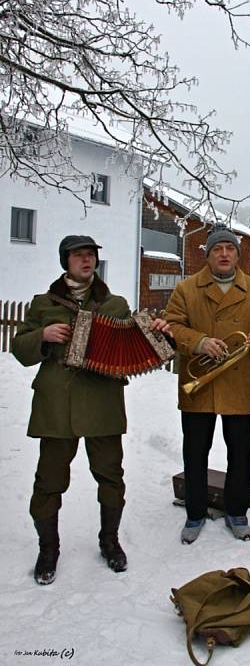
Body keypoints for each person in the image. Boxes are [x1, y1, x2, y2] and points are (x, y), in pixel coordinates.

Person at [12, 235, 131, 584]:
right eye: (79, 256)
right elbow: (20, 349)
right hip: (57, 404)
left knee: (111, 476)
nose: (87, 261)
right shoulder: (42, 304)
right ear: (66, 261)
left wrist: (152, 335)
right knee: (48, 482)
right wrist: (43, 336)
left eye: (91, 255)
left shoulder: (115, 304)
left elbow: (129, 348)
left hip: (103, 404)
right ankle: (48, 549)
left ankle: (110, 541)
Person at [155, 223, 250, 544]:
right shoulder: (186, 289)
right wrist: (199, 342)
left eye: (229, 249)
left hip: (238, 386)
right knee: (195, 453)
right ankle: (195, 514)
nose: (224, 254)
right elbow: (171, 326)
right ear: (208, 256)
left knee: (241, 453)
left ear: (237, 255)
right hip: (199, 385)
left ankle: (237, 512)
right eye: (217, 249)